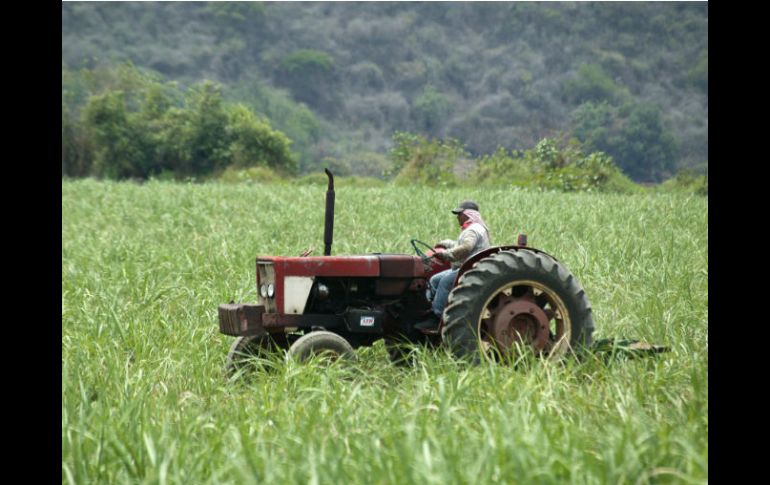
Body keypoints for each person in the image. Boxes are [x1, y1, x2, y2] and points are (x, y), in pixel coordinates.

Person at [415, 200, 491, 331]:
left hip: (471, 268)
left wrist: (446, 254)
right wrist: (447, 243)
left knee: (445, 282)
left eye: (459, 214)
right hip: (467, 267)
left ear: (468, 214)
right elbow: (462, 244)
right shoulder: (474, 228)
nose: (457, 217)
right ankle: (430, 309)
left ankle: (436, 316)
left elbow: (466, 247)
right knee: (435, 279)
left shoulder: (473, 230)